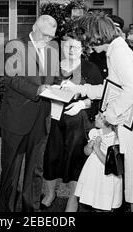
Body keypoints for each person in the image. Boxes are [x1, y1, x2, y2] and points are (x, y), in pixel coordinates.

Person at [64, 13, 133, 212]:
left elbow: (132, 90)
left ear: (97, 35)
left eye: (87, 40)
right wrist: (79, 89)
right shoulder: (116, 51)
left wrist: (109, 116)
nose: (87, 46)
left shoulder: (119, 53)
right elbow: (110, 89)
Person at [0, 14, 57, 212]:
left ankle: (32, 212)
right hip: (16, 118)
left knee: (35, 171)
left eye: (51, 36)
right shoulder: (16, 46)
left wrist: (62, 85)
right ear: (34, 27)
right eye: (45, 35)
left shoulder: (51, 51)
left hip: (41, 120)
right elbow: (11, 79)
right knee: (11, 171)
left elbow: (52, 79)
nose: (48, 39)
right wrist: (36, 90)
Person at [41, 32, 103, 212]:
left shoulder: (90, 68)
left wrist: (83, 103)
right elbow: (42, 87)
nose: (71, 50)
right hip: (53, 119)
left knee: (75, 160)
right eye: (67, 46)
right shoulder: (51, 67)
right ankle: (50, 193)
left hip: (78, 122)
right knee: (51, 156)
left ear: (82, 48)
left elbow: (101, 95)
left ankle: (72, 199)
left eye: (75, 47)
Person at [74, 113, 123, 211]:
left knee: (104, 203)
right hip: (93, 173)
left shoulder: (115, 139)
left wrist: (97, 149)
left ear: (108, 122)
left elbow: (110, 163)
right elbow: (86, 152)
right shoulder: (95, 132)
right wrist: (89, 146)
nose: (95, 116)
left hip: (106, 176)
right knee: (94, 201)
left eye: (100, 117)